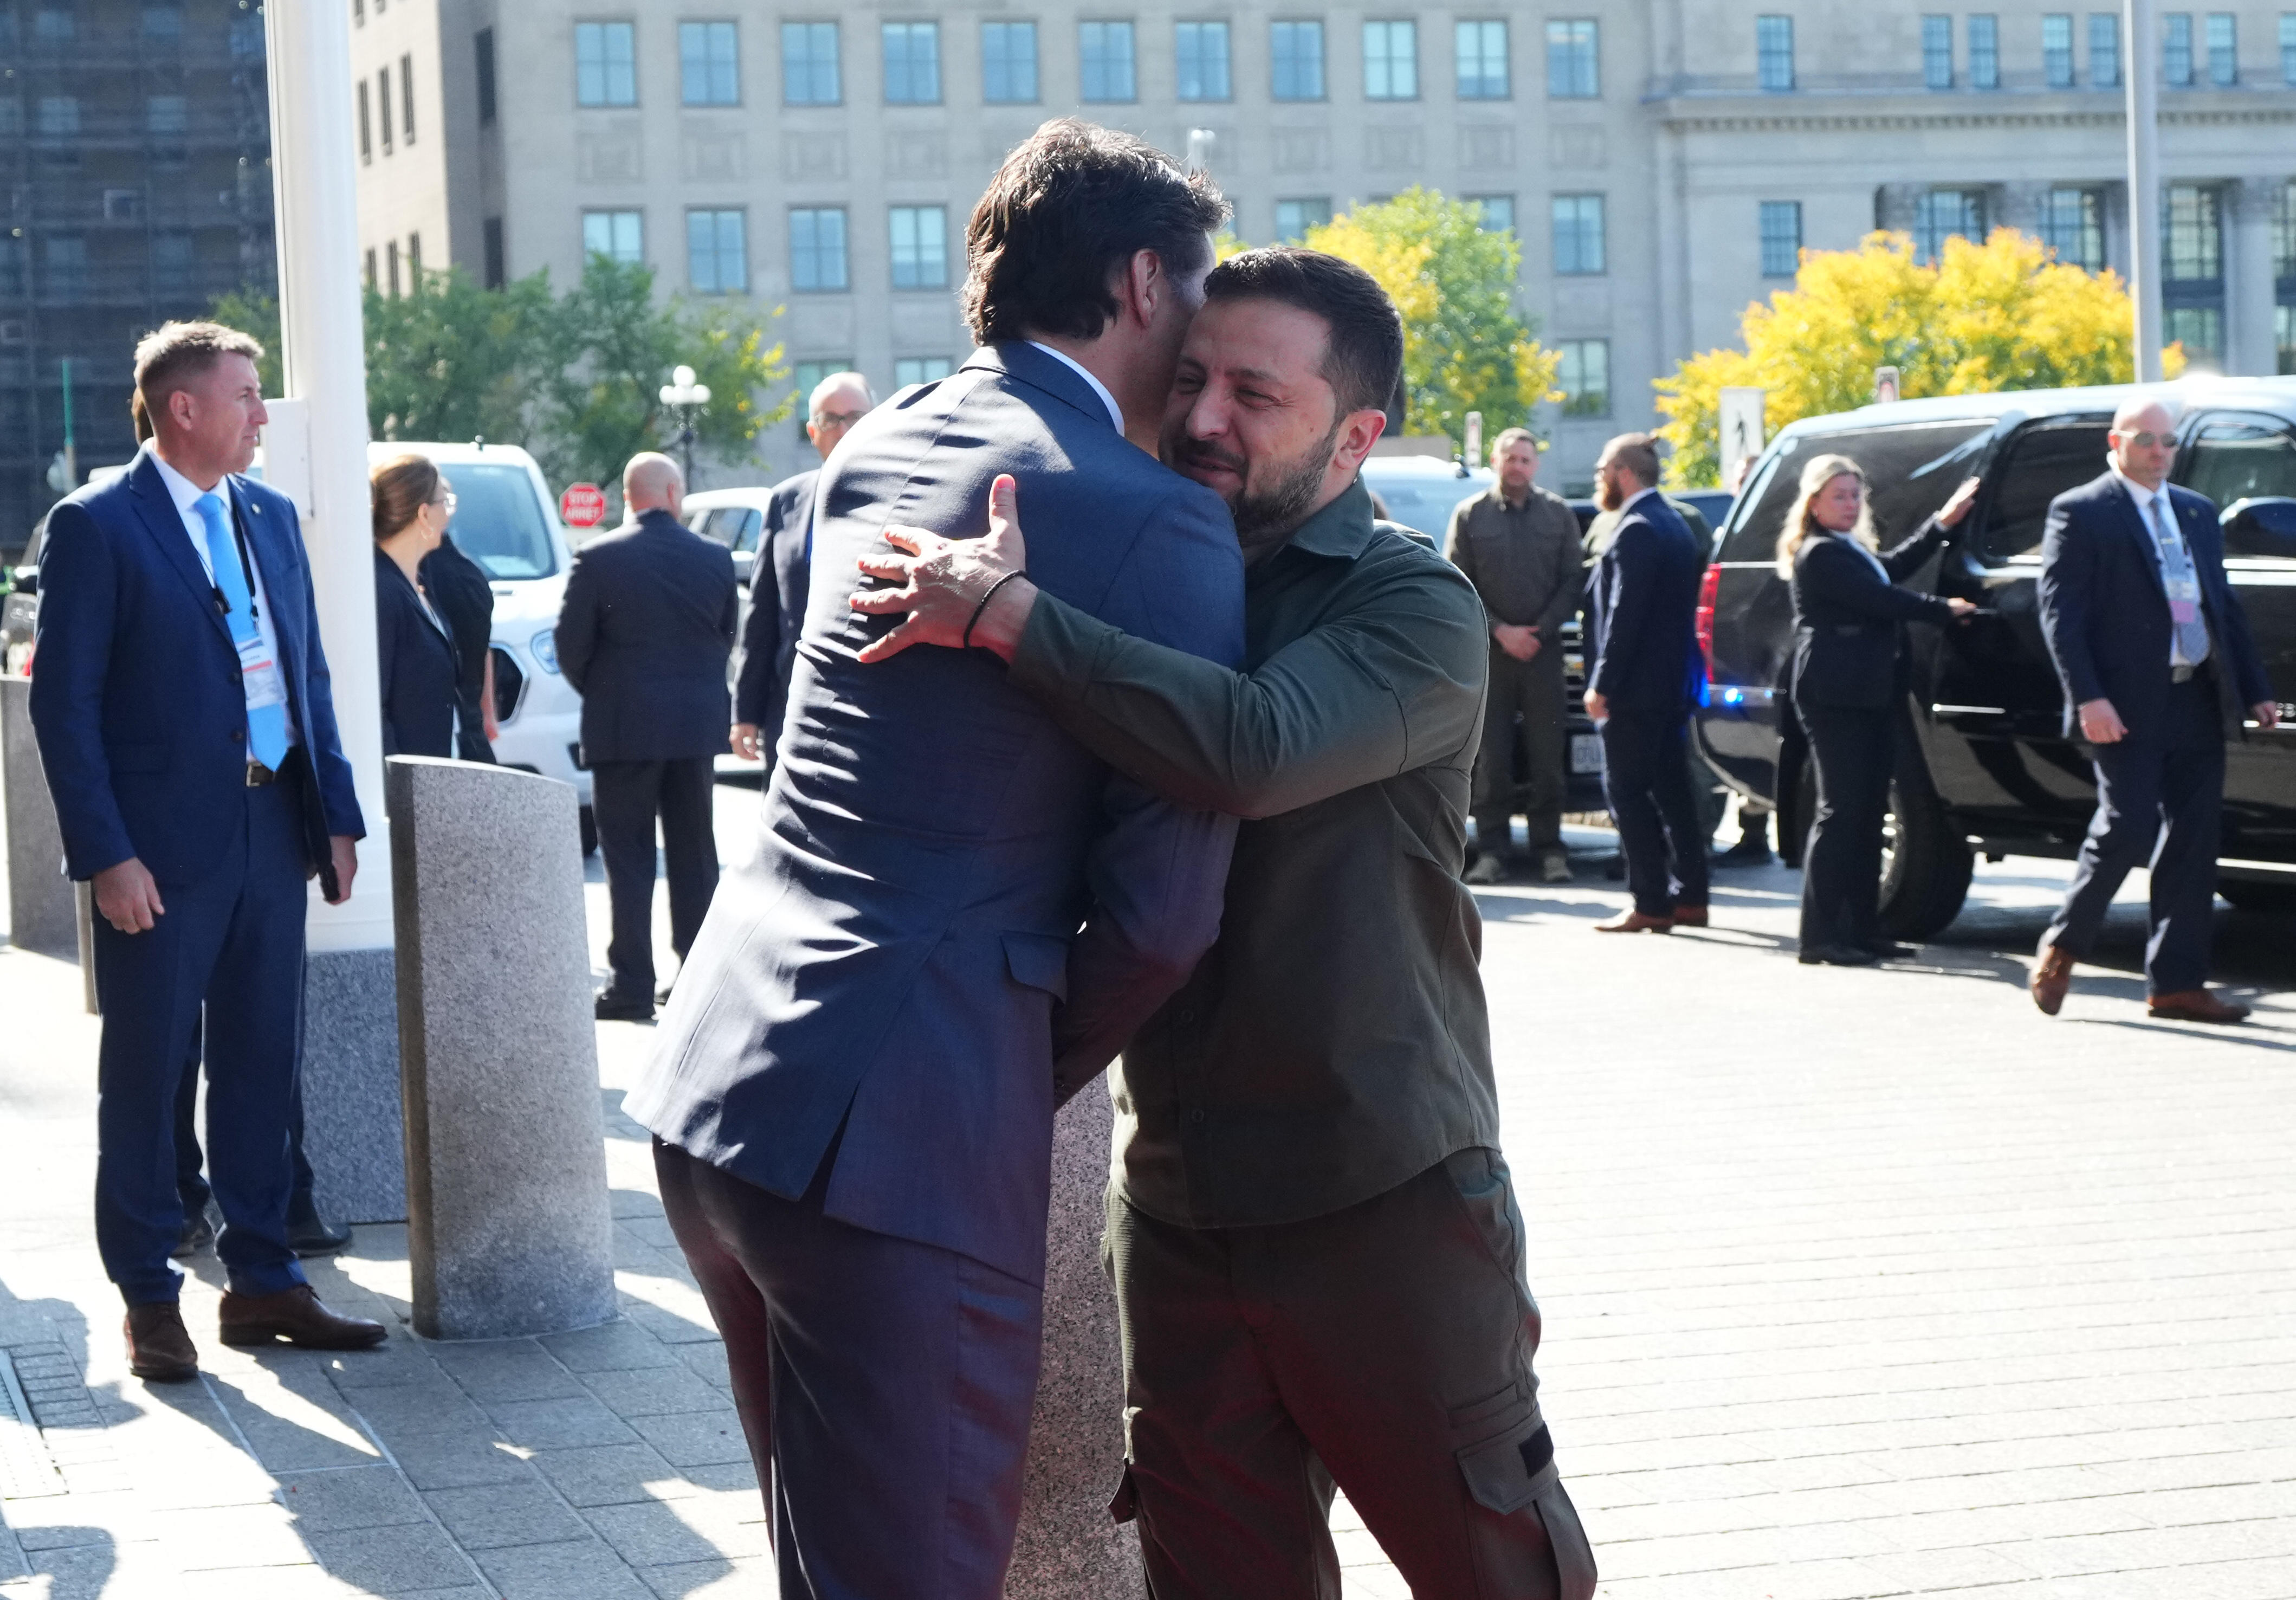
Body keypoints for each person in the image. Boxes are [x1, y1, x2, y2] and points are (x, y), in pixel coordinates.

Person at [858, 248, 1598, 1600]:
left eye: (1257, 392)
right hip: (1177, 1202)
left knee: (1495, 1567)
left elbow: (1249, 749)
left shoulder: (1409, 600)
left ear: (1355, 432)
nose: (1204, 416)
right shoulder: (1154, 571)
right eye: (1192, 377)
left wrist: (1015, 616)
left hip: (1380, 1188)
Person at [622, 120, 1243, 1597]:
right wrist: (992, 1074)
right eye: (1200, 309)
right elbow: (1162, 925)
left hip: (722, 1086)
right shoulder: (1154, 519)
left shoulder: (877, 444)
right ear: (1143, 281)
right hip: (896, 1138)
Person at [30, 321, 385, 1382]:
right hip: (161, 855)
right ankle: (149, 1296)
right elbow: (66, 708)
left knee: (262, 1066)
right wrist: (107, 856)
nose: (261, 415)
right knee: (148, 1076)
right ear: (183, 407)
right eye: (245, 395)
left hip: (273, 829)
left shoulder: (269, 517)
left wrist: (337, 812)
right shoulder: (98, 526)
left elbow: (305, 673)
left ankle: (265, 1279)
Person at [2031, 397, 2279, 1023]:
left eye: (2167, 442)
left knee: (2195, 841)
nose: (2158, 453)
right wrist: (2088, 697)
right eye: (2145, 441)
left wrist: (2254, 688)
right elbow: (2062, 617)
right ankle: (2063, 944)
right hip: (2123, 703)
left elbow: (2222, 607)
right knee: (2126, 828)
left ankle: (2177, 983)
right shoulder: (2082, 512)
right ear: (2115, 443)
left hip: (2194, 694)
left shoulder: (2195, 511)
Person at [555, 453, 738, 1021]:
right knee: (694, 855)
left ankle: (632, 983)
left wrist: (609, 691)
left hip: (624, 727)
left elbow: (570, 646)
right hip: (693, 727)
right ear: (675, 493)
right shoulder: (714, 557)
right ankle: (699, 978)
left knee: (628, 859)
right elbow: (726, 634)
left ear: (629, 498)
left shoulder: (599, 557)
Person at [1780, 457, 1978, 966]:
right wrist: (1943, 609)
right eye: (1838, 496)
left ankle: (1861, 928)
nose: (1849, 505)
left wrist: (1942, 524)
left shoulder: (1851, 548)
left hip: (1869, 691)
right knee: (1840, 810)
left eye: (1854, 495)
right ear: (1814, 503)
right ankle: (1821, 936)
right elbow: (1880, 599)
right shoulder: (1818, 554)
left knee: (1870, 811)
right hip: (1834, 694)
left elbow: (1891, 568)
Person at [1583, 433, 1710, 934]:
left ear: (1623, 473)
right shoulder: (1675, 523)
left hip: (1636, 691)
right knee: (1675, 792)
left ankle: (1651, 902)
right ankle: (1692, 898)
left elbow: (1624, 617)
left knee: (1627, 793)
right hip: (1673, 687)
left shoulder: (1635, 527)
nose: (1599, 481)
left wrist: (1601, 684)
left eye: (1601, 472)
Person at [1447, 427, 1583, 886]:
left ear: (1536, 465)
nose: (1517, 467)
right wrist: (1500, 631)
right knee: (1491, 760)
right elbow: (1458, 584)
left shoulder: (1558, 514)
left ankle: (1550, 851)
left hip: (1544, 656)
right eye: (1510, 458)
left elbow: (1572, 580)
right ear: (1496, 460)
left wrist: (1539, 631)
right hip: (1491, 656)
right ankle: (1492, 853)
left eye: (1525, 460)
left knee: (1548, 758)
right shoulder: (1470, 516)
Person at [729, 370, 875, 765]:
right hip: (792, 705)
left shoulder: (907, 493)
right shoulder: (786, 501)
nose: (843, 429)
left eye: (856, 417)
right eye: (831, 420)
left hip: (872, 706)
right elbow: (763, 614)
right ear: (813, 432)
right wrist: (746, 711)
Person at [371, 453, 463, 759]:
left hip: (435, 776)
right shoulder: (381, 591)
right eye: (445, 503)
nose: (449, 514)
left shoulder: (416, 581)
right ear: (424, 515)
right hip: (408, 791)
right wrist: (402, 795)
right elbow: (373, 709)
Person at [419, 525, 499, 763]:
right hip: (469, 727)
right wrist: (487, 713)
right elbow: (483, 645)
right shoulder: (468, 573)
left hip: (445, 731)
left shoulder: (422, 574)